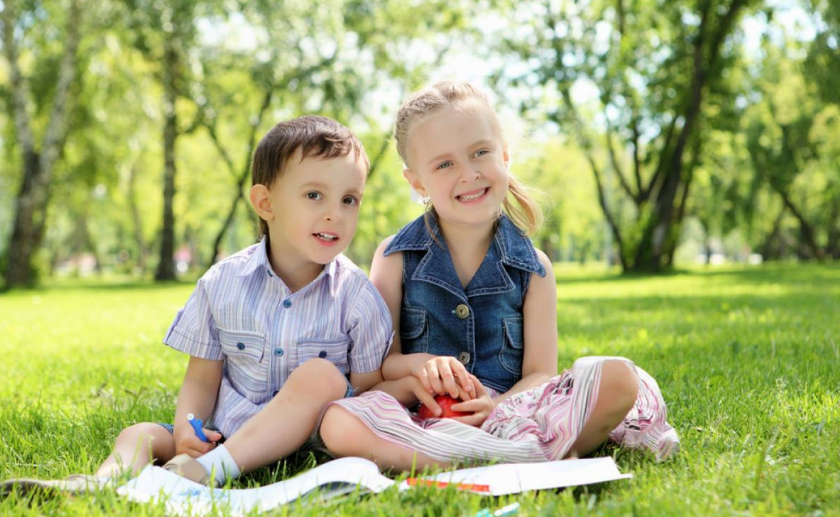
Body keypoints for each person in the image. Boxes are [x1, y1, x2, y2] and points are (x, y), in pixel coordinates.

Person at [1, 115, 392, 495]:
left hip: (306, 441)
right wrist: (188, 427)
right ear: (265, 203)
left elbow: (366, 392)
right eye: (314, 195)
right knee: (141, 434)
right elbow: (202, 379)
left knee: (320, 376)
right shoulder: (222, 283)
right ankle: (101, 483)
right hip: (224, 434)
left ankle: (203, 474)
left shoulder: (357, 296)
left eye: (349, 199)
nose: (334, 213)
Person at [317, 82, 679, 471]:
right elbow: (381, 367)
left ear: (504, 156)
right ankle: (513, 457)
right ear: (418, 182)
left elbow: (539, 374)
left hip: (512, 414)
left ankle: (483, 454)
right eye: (444, 164)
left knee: (618, 379)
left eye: (480, 153)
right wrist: (420, 366)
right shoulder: (395, 257)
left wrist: (495, 407)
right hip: (423, 418)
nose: (469, 174)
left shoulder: (533, 267)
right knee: (338, 422)